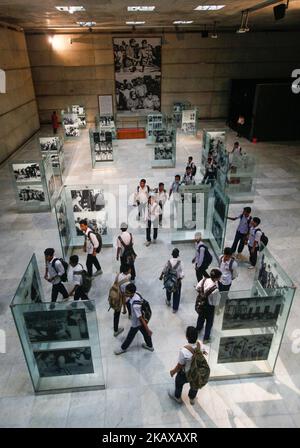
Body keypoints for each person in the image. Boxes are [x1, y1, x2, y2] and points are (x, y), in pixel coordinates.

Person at [168, 326, 207, 405]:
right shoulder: (199, 344)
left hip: (185, 374)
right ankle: (192, 398)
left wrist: (173, 371)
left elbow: (180, 365)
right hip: (196, 371)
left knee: (178, 383)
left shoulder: (184, 351)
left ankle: (177, 397)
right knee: (195, 385)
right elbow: (201, 352)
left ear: (187, 337)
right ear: (196, 336)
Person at [114, 283, 153, 355]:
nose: (125, 294)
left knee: (130, 336)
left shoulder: (135, 306)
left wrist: (148, 329)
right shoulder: (137, 293)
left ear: (132, 293)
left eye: (127, 293)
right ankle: (150, 346)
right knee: (145, 333)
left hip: (137, 322)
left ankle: (123, 348)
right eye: (125, 291)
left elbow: (140, 318)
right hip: (138, 321)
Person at [195, 269, 222, 342]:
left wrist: (202, 295)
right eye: (219, 277)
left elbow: (197, 288)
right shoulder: (215, 289)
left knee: (201, 317)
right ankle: (206, 338)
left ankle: (198, 329)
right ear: (216, 278)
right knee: (209, 322)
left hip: (201, 303)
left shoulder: (204, 280)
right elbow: (215, 302)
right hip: (209, 307)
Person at [160, 248, 184, 313]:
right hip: (177, 281)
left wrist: (161, 276)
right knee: (177, 294)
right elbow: (182, 273)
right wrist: (180, 279)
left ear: (172, 254)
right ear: (178, 255)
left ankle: (168, 301)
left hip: (169, 280)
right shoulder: (180, 263)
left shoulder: (168, 262)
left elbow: (164, 269)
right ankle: (175, 308)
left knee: (168, 290)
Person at [113, 264, 132, 337]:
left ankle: (115, 329)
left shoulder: (119, 275)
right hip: (121, 298)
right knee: (127, 304)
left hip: (116, 295)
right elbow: (124, 296)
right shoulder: (126, 283)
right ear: (127, 271)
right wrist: (124, 308)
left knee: (116, 314)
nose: (131, 270)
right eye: (130, 269)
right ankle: (116, 331)